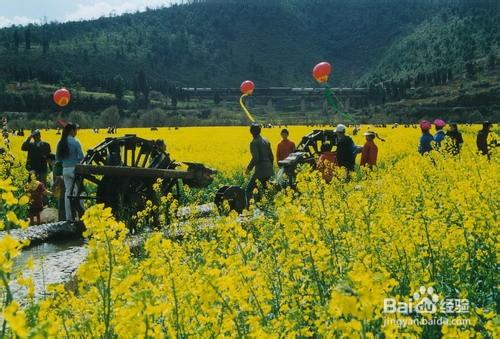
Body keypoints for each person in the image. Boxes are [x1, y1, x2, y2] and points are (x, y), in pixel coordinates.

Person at [56, 123, 84, 221]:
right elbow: (81, 157)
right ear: (72, 131)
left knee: (68, 192)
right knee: (79, 192)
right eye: (76, 130)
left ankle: (69, 218)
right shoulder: (75, 142)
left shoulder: (61, 142)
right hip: (75, 169)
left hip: (65, 170)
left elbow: (58, 158)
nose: (76, 132)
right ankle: (82, 216)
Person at [245, 123, 274, 205]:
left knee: (249, 190)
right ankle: (266, 207)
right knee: (265, 190)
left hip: (260, 171)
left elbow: (256, 158)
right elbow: (271, 156)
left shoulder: (254, 142)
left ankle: (248, 209)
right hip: (268, 170)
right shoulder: (266, 140)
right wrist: (269, 167)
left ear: (251, 132)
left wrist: (248, 168)